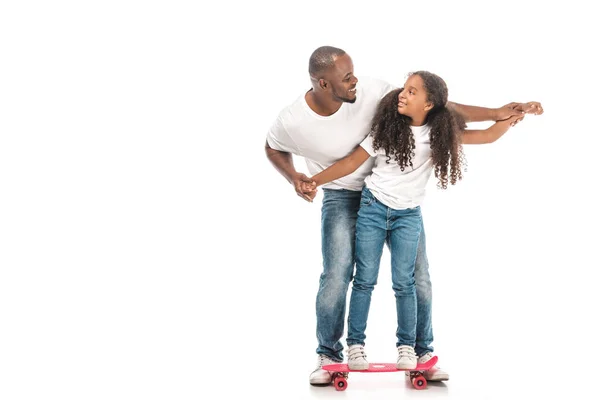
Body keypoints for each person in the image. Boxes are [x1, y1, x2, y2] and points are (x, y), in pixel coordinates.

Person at [264, 46, 543, 385]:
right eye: (346, 78)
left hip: (402, 209)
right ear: (324, 84)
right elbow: (279, 147)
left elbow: (447, 111)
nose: (355, 81)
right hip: (350, 198)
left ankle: (421, 351)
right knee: (341, 275)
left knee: (415, 278)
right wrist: (301, 179)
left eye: (353, 73)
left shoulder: (380, 95)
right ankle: (331, 354)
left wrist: (502, 113)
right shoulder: (295, 119)